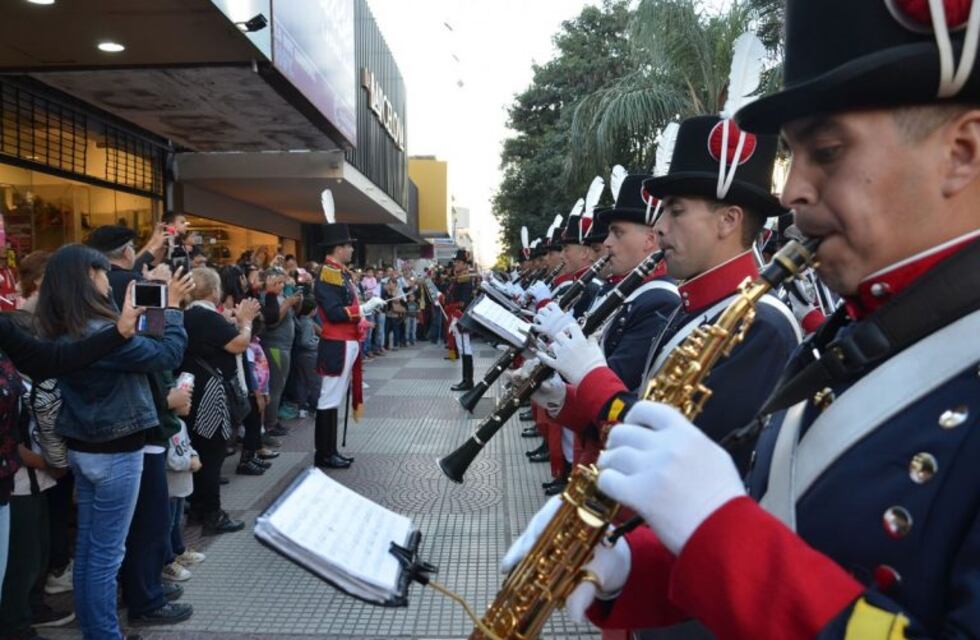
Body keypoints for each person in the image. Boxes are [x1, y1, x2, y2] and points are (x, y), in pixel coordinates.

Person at [510, 3, 980, 637]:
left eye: (828, 151)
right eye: (793, 155)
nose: (790, 193)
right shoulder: (861, 331)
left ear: (961, 153)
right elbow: (779, 523)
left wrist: (718, 530)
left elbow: (749, 540)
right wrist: (623, 568)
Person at [540, 116, 802, 474]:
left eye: (675, 211)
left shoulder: (763, 325)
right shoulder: (694, 305)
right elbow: (652, 407)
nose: (660, 227)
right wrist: (561, 398)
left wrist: (592, 378)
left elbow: (685, 463)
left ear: (728, 220)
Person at [34, 244, 192, 640]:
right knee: (105, 555)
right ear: (88, 277)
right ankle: (104, 633)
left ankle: (98, 629)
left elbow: (145, 349)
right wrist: (171, 307)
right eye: (103, 273)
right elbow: (167, 355)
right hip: (117, 450)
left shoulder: (66, 326)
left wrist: (150, 316)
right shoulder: (99, 332)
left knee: (90, 550)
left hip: (85, 448)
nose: (110, 281)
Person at [180, 268, 260, 535]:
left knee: (200, 450)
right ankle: (212, 513)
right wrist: (246, 321)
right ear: (214, 291)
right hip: (210, 394)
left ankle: (199, 506)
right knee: (212, 454)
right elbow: (239, 344)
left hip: (191, 390)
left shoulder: (185, 314)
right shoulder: (205, 317)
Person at [313, 224, 382, 469]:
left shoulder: (339, 273)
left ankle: (330, 451)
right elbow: (333, 312)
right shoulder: (328, 273)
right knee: (329, 398)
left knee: (335, 397)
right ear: (339, 248)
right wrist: (363, 309)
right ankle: (324, 453)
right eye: (349, 245)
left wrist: (362, 320)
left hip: (346, 342)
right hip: (337, 344)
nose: (352, 249)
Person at [260, 268, 302, 436]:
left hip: (285, 345)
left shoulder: (281, 296)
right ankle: (271, 423)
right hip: (275, 346)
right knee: (275, 386)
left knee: (280, 385)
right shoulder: (266, 298)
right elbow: (272, 322)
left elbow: (293, 315)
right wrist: (286, 304)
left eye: (282, 282)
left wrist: (296, 303)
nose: (281, 285)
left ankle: (273, 420)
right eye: (277, 282)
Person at [445, 250, 476, 390]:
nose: (455, 264)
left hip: (460, 316)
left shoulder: (465, 279)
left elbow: (463, 302)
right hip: (457, 316)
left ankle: (468, 380)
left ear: (464, 264)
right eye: (455, 262)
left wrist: (451, 306)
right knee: (462, 347)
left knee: (465, 347)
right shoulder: (459, 278)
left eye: (458, 262)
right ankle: (466, 379)